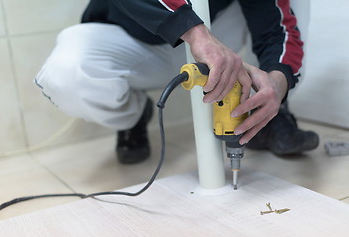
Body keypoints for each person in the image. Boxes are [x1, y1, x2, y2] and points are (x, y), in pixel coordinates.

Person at [34, 0, 319, 164]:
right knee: (65, 75)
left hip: (218, 31)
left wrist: (276, 82)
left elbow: (279, 26)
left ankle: (267, 111)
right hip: (133, 35)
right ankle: (132, 116)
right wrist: (195, 35)